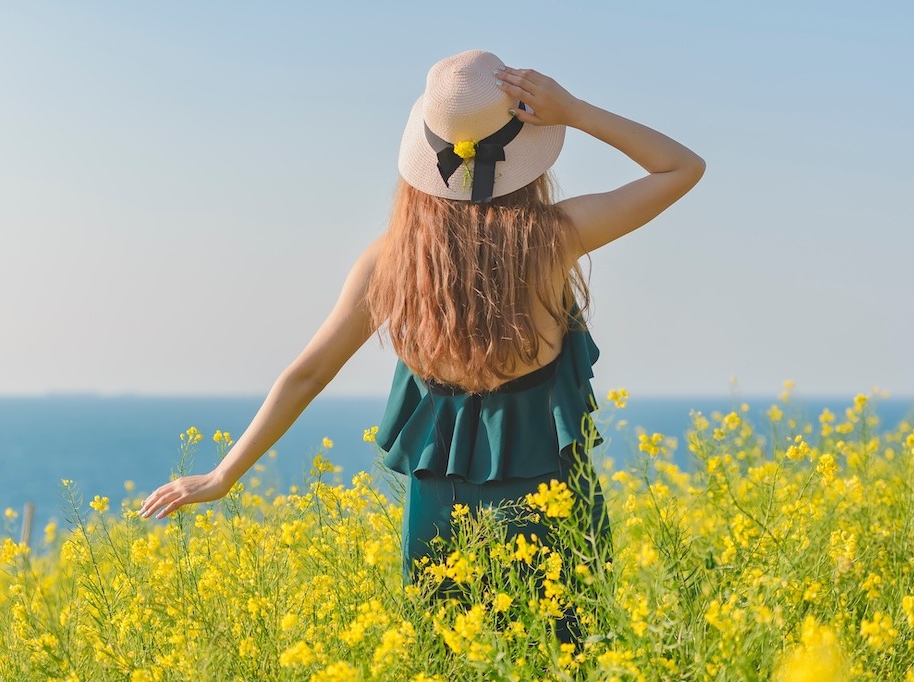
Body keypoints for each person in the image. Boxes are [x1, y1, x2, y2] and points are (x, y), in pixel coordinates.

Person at [139, 49, 705, 647]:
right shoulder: (554, 240)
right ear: (526, 157)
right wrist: (576, 111)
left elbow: (306, 374)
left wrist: (224, 475)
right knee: (564, 680)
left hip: (440, 518)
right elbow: (680, 168)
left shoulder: (393, 262)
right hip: (551, 505)